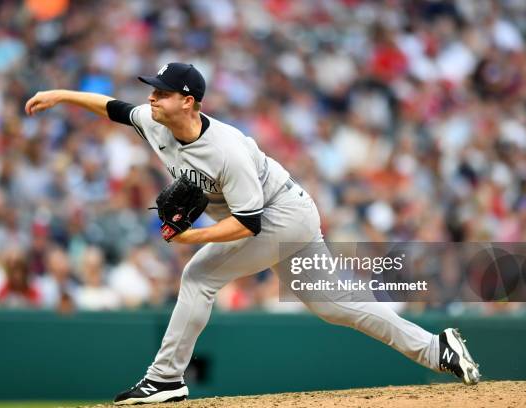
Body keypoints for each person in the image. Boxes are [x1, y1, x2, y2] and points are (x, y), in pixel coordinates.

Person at [25, 62, 481, 405]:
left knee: (199, 277)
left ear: (189, 101)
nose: (152, 98)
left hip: (281, 213)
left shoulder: (225, 149)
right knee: (337, 306)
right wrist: (60, 95)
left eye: (162, 92)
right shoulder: (153, 122)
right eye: (153, 90)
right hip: (289, 211)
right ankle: (436, 349)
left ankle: (165, 379)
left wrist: (191, 240)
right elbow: (114, 109)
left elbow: (249, 224)